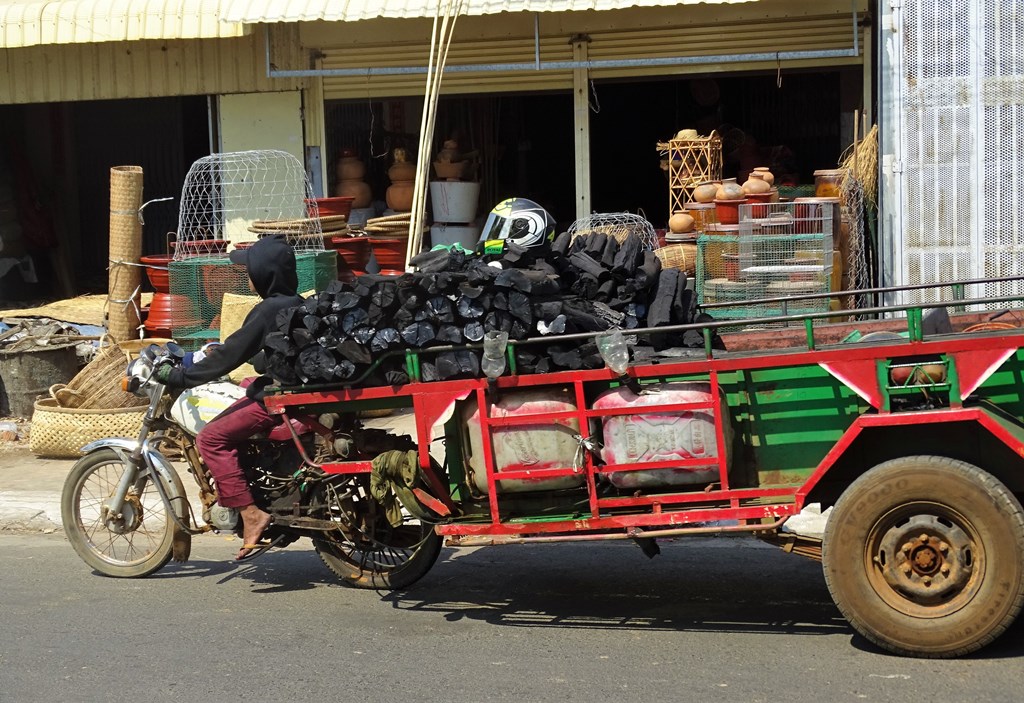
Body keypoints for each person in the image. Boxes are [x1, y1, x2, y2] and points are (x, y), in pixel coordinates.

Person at [155, 233, 304, 560]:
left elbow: (228, 357)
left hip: (282, 397)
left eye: (250, 270)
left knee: (209, 438)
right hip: (298, 389)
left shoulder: (267, 310)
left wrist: (180, 375)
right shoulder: (298, 303)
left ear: (264, 273)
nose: (247, 277)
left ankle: (251, 514)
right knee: (246, 385)